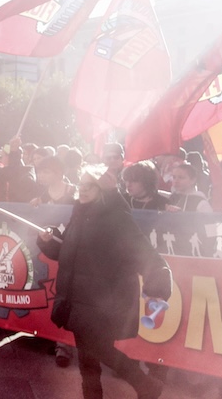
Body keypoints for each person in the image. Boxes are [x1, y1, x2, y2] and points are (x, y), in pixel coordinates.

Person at [38, 168, 171, 399]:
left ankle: (144, 384)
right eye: (81, 184)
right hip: (79, 297)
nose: (83, 189)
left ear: (102, 190)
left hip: (105, 299)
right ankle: (111, 391)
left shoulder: (117, 217)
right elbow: (67, 253)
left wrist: (158, 283)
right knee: (88, 355)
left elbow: (142, 251)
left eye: (89, 185)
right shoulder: (79, 213)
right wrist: (47, 243)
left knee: (97, 349)